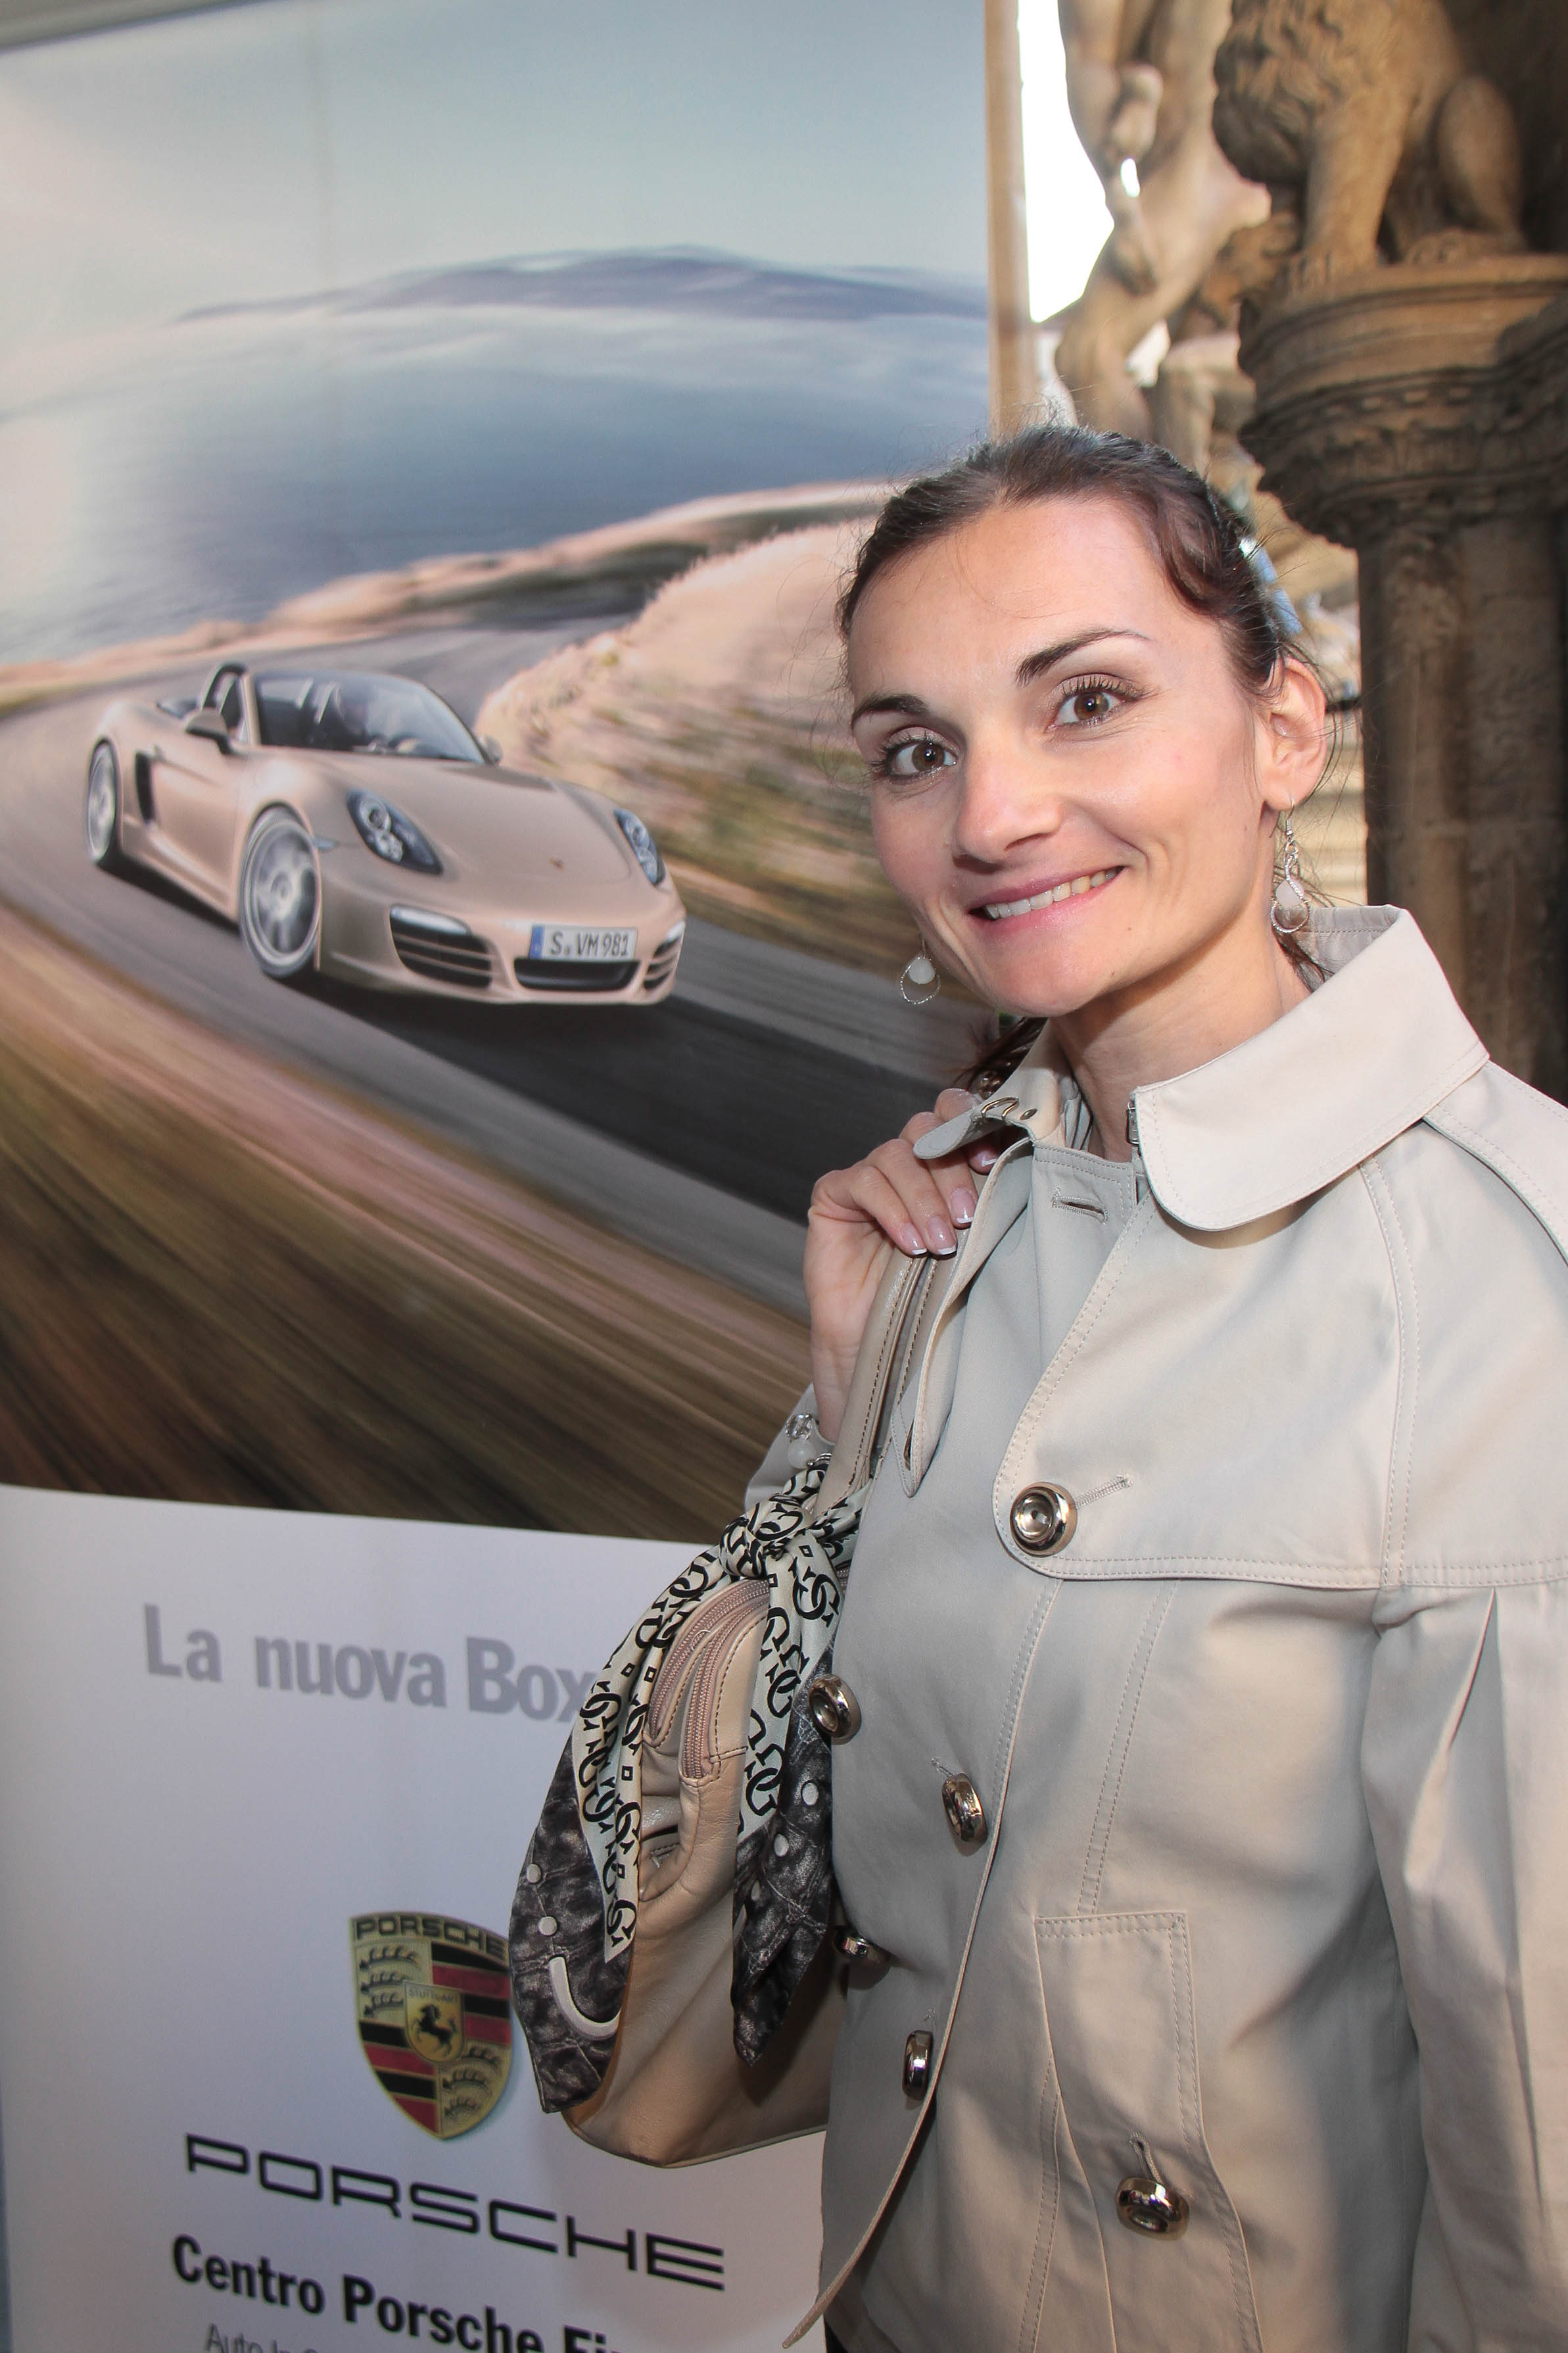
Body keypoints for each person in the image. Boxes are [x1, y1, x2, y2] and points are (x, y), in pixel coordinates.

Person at [792, 425, 1568, 2353]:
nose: (991, 812)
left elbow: (1541, 2183)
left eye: (1086, 701)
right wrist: (843, 1408)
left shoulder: (1502, 1280)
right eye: (916, 747)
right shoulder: (947, 1217)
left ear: (1282, 728)